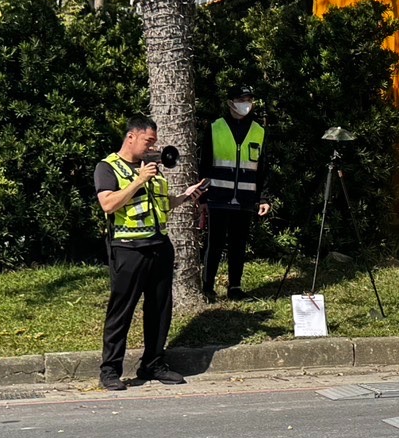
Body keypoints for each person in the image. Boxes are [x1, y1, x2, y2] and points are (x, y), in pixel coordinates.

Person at [95, 116, 206, 390]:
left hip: (159, 246)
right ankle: (110, 369)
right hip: (128, 249)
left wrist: (185, 196)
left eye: (154, 142)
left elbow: (160, 204)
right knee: (121, 311)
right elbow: (108, 204)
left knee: (159, 309)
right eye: (148, 141)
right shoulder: (108, 167)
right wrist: (139, 180)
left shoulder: (152, 168)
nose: (152, 147)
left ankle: (153, 363)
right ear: (131, 137)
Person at [199, 85, 271, 303]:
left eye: (249, 99)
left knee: (239, 244)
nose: (246, 104)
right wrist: (202, 197)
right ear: (231, 102)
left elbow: (263, 168)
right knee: (215, 243)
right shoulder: (215, 127)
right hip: (218, 196)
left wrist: (264, 197)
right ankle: (208, 287)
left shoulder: (259, 130)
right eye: (241, 99)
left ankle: (235, 287)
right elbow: (205, 165)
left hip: (245, 198)